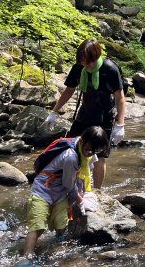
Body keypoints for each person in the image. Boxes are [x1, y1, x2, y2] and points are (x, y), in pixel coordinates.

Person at [43, 39, 126, 189]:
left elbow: (120, 99)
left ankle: (97, 191)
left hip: (104, 119)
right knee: (68, 147)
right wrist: (54, 112)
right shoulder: (78, 68)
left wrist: (120, 124)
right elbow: (69, 90)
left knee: (100, 156)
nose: (86, 66)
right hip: (84, 114)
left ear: (96, 58)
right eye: (83, 63)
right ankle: (64, 183)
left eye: (89, 63)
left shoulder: (110, 70)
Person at [21, 125, 109, 258]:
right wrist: (81, 201)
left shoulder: (89, 150)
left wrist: (88, 193)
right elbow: (69, 185)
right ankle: (26, 258)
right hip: (43, 189)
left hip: (60, 192)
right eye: (88, 150)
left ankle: (55, 251)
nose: (90, 153)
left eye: (94, 151)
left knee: (61, 225)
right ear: (81, 141)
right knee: (37, 227)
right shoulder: (71, 157)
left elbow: (87, 173)